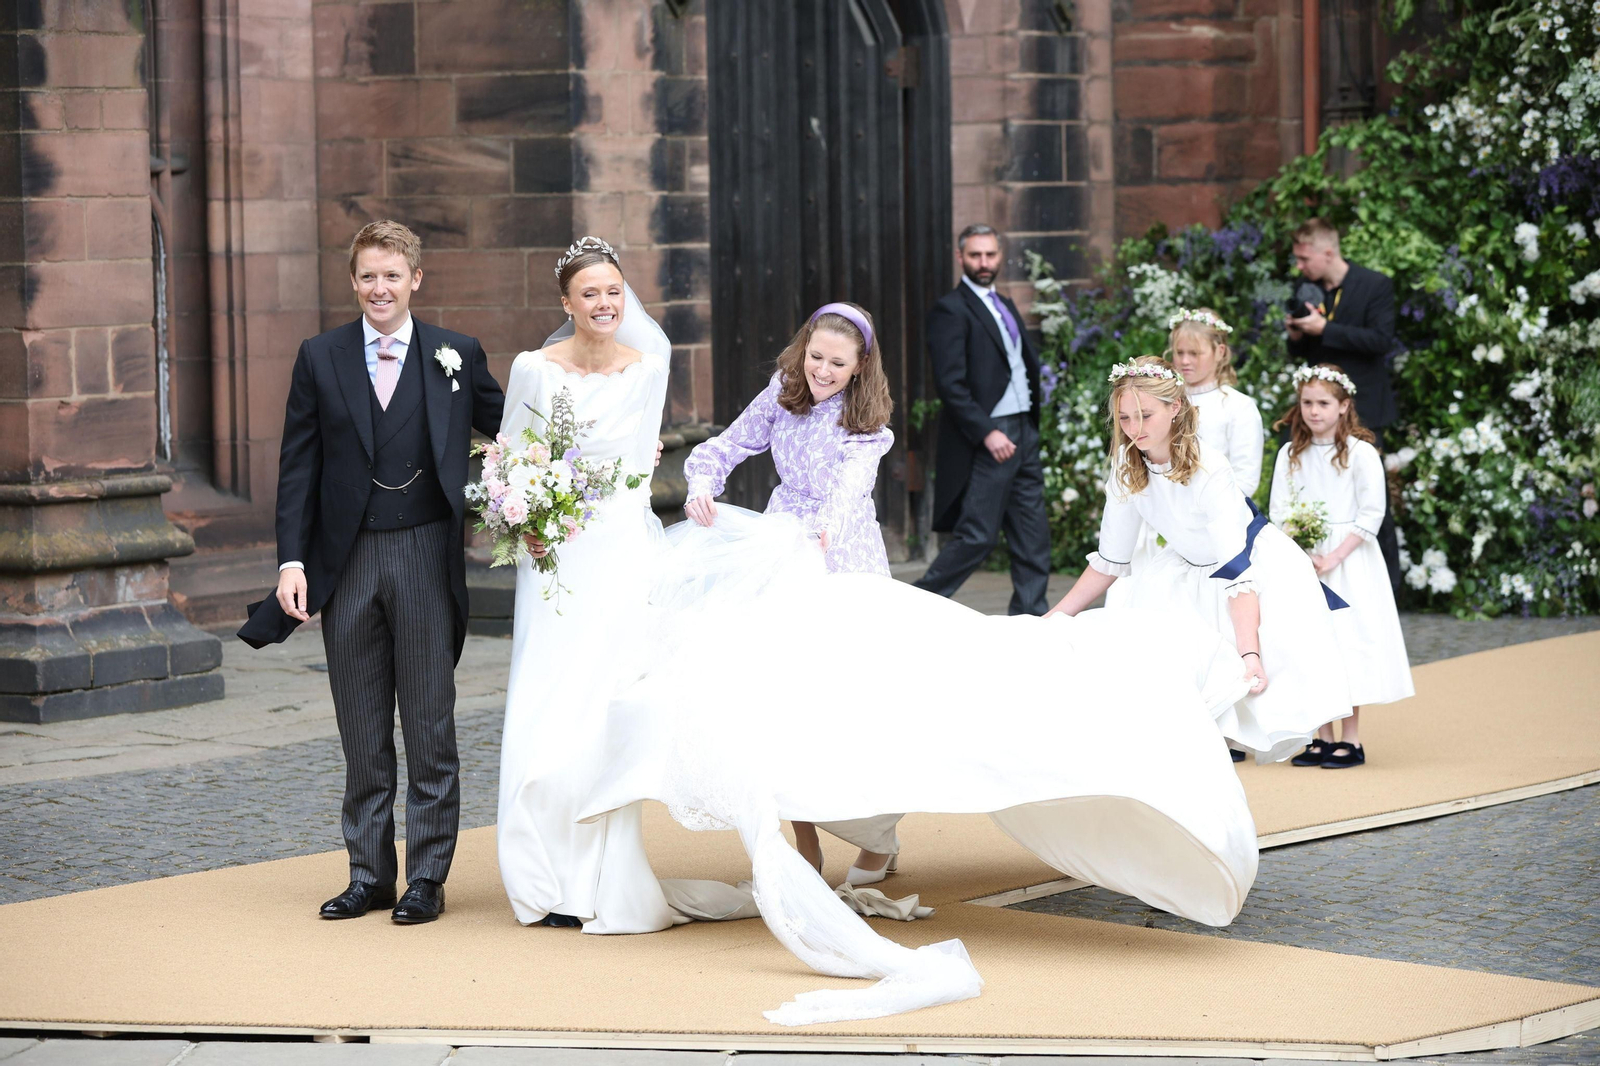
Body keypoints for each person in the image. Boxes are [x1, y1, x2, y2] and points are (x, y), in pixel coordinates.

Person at [238, 220, 506, 924]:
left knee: (428, 724)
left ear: (416, 278)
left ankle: (427, 877)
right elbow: (298, 466)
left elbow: (516, 435)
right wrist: (290, 561)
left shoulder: (457, 354)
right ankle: (368, 873)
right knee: (360, 726)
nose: (380, 288)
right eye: (368, 276)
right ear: (353, 282)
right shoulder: (320, 357)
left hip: (424, 552)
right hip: (347, 559)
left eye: (393, 275)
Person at [494, 237, 690, 933]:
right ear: (566, 304)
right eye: (590, 294)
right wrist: (526, 521)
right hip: (555, 560)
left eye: (614, 291)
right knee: (549, 701)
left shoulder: (649, 367)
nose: (605, 304)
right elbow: (507, 459)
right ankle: (539, 873)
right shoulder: (533, 369)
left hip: (618, 556)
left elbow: (638, 473)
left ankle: (596, 878)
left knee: (603, 709)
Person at [682, 302, 904, 886]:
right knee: (778, 696)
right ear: (802, 349)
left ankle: (878, 837)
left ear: (860, 367)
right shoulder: (782, 393)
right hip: (780, 544)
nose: (822, 371)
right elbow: (721, 448)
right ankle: (802, 840)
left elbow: (851, 489)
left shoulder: (867, 424)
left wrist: (824, 530)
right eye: (815, 357)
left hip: (842, 551)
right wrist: (702, 486)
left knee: (848, 701)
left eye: (837, 363)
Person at [1045, 356, 1351, 762]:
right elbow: (1109, 562)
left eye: (1145, 415)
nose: (1135, 429)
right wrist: (1055, 619)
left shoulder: (1209, 468)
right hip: (1181, 570)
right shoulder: (1125, 464)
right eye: (1124, 418)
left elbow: (1236, 569)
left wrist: (1250, 654)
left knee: (1250, 695)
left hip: (1248, 570)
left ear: (1174, 408)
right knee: (1161, 693)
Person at [1271, 365, 1415, 768]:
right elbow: (1279, 510)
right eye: (1307, 403)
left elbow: (1371, 514)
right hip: (1303, 557)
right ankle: (1321, 735)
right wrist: (1300, 552)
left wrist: (1333, 556)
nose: (1314, 411)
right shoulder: (1290, 454)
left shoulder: (1360, 452)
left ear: (1344, 405)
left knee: (1347, 644)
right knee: (1312, 646)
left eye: (1323, 403)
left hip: (1349, 561)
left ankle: (1350, 740)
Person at [914, 223, 1052, 616]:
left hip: (1024, 428)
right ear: (961, 257)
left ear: (999, 255)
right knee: (977, 535)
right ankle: (915, 605)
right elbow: (951, 384)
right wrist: (987, 431)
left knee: (1032, 532)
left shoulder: (1003, 303)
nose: (984, 262)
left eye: (990, 254)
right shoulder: (950, 310)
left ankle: (1030, 616)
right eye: (975, 255)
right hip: (996, 434)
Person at [1285, 218, 1401, 589]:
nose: (1300, 266)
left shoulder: (1375, 285)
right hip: (1319, 409)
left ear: (1328, 251)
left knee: (1370, 497)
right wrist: (1296, 334)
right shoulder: (1308, 289)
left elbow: (1382, 341)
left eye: (1305, 258)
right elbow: (1301, 352)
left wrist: (1326, 330)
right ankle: (1317, 575)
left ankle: (1387, 587)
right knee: (1314, 493)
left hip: (1363, 407)